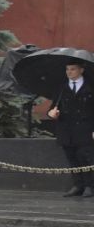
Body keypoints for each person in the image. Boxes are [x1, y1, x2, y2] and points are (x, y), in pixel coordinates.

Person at [44, 60, 94, 196]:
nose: (69, 72)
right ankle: (78, 185)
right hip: (66, 129)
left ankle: (90, 186)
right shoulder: (62, 87)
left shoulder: (90, 86)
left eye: (72, 69)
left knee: (86, 157)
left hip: (85, 129)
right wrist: (51, 114)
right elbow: (52, 108)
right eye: (67, 69)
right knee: (72, 158)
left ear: (81, 70)